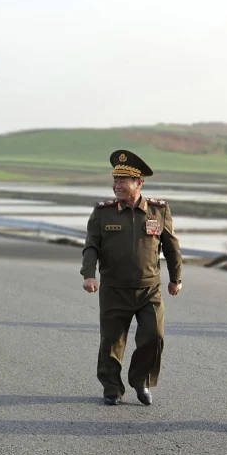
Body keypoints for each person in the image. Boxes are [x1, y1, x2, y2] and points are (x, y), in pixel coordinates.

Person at [80, 150, 182, 406]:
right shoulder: (103, 212)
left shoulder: (159, 210)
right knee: (112, 341)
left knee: (154, 337)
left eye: (123, 181)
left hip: (149, 290)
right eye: (115, 180)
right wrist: (89, 275)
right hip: (114, 288)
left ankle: (141, 380)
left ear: (139, 183)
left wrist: (176, 278)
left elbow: (171, 247)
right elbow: (91, 246)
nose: (117, 185)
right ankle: (112, 386)